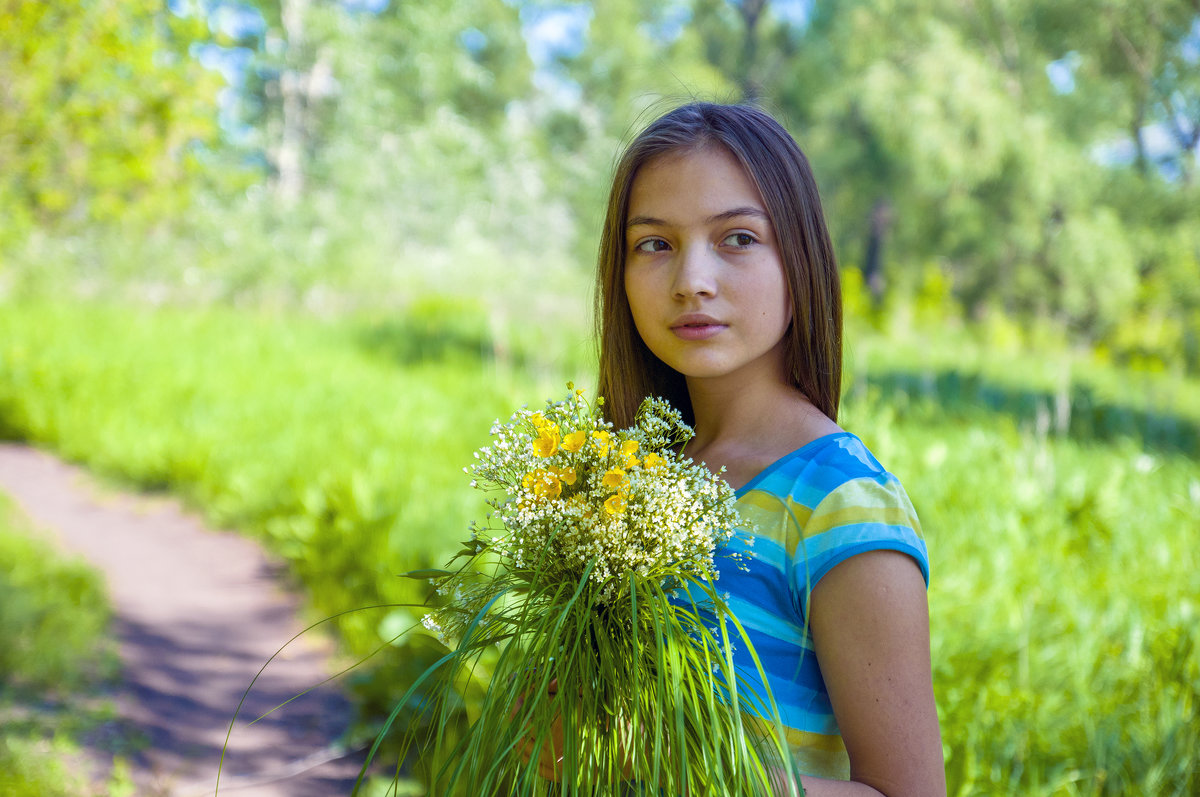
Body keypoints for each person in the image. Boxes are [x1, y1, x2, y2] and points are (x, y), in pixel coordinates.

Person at [588, 101, 947, 796]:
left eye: (738, 238)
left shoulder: (838, 503)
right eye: (654, 244)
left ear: (801, 259)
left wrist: (705, 777)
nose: (692, 278)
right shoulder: (629, 478)